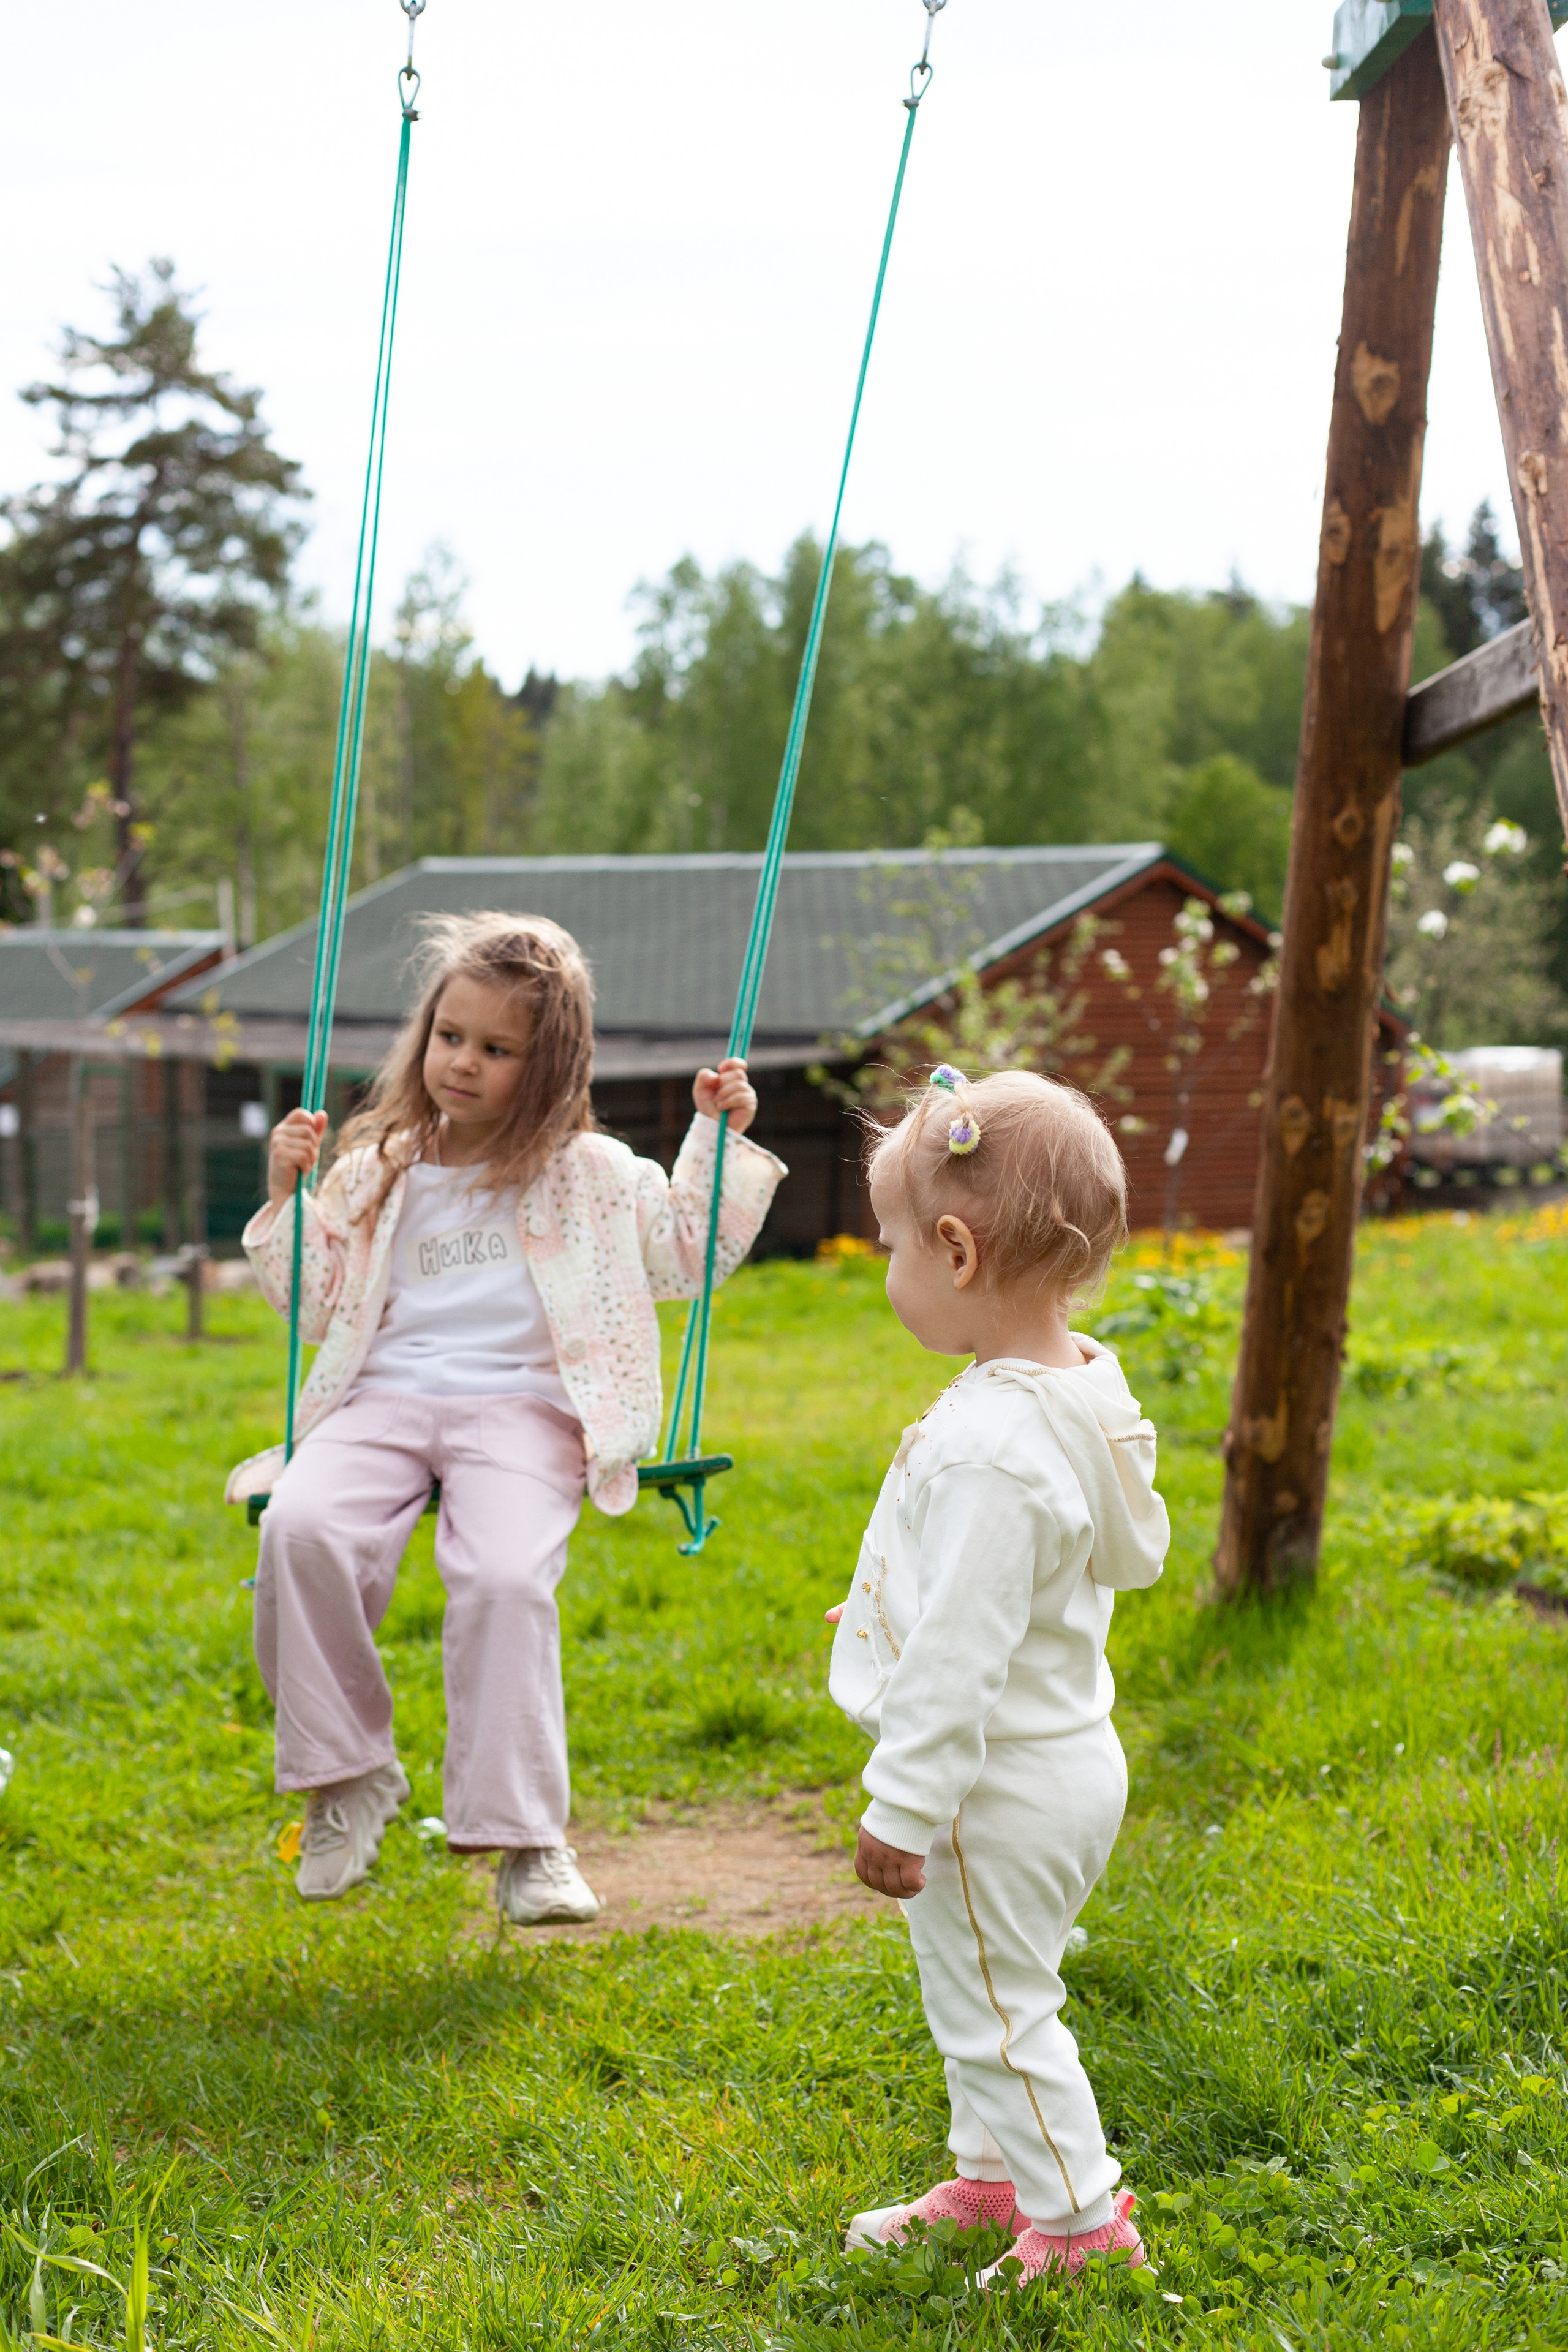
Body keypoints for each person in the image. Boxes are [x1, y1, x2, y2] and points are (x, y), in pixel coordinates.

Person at [228, 911, 785, 1924]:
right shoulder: (374, 1171)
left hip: (525, 1413)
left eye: (497, 1050)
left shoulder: (594, 1175)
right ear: (424, 1034)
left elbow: (686, 1257)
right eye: (451, 1037)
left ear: (550, 1067)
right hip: (382, 1400)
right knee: (299, 1527)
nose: (464, 1065)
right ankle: (347, 1778)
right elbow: (313, 1306)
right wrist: (286, 1196)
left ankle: (529, 1840)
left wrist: (719, 1135)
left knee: (503, 1577)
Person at [826, 1065, 1167, 2288]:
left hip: (987, 1786)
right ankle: (989, 2181)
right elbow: (1017, 1585)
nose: (887, 1265)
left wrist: (900, 1807)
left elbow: (962, 1661)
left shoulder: (987, 1449)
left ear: (956, 1252)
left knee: (998, 2008)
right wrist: (890, 1607)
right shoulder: (1076, 1388)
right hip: (1068, 1759)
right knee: (987, 1983)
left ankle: (1079, 2229)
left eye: (891, 1243)